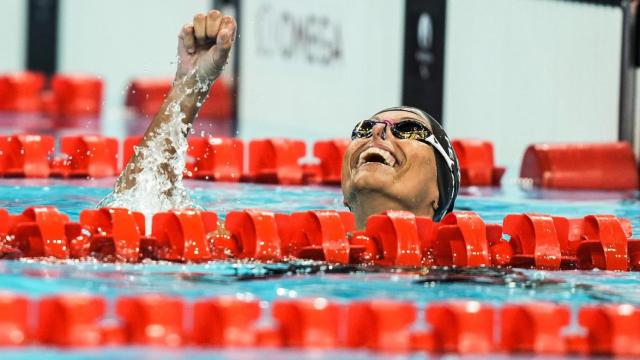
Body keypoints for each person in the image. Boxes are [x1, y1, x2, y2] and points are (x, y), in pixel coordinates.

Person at [106, 11, 460, 229]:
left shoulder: (469, 274)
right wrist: (189, 85)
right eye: (364, 129)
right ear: (344, 191)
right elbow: (135, 216)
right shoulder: (280, 241)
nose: (378, 132)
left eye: (408, 130)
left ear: (438, 194)